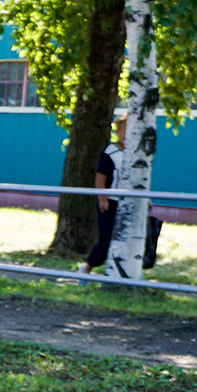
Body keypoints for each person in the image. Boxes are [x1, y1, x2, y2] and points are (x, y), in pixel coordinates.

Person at [83, 117, 125, 274]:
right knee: (107, 238)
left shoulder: (137, 155)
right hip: (111, 202)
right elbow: (101, 176)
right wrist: (102, 198)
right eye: (124, 130)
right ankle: (87, 267)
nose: (127, 135)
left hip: (129, 203)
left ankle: (120, 271)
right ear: (118, 131)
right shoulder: (110, 152)